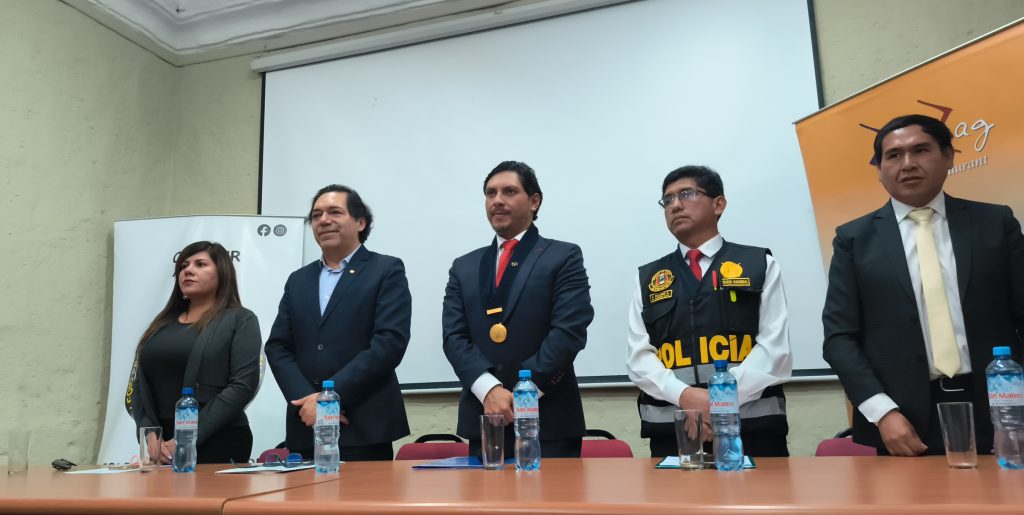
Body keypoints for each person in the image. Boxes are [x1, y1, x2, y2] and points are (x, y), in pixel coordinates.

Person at [822, 114, 1024, 456]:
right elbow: (839, 337)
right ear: (879, 169)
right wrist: (881, 412)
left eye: (920, 150)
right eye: (894, 155)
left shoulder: (994, 223)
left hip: (1001, 409)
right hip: (902, 421)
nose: (908, 164)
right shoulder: (854, 240)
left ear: (948, 157)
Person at [627, 165, 792, 458]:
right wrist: (685, 396)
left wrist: (719, 402)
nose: (675, 205)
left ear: (719, 204)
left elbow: (775, 350)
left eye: (686, 194)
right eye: (668, 199)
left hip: (752, 430)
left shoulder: (759, 264)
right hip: (675, 433)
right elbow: (639, 358)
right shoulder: (649, 277)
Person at [443, 160, 594, 461]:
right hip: (485, 417)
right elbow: (454, 337)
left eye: (509, 191)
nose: (497, 200)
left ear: (534, 201)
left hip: (549, 420)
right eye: (490, 193)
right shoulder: (464, 266)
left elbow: (569, 331)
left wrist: (523, 393)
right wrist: (489, 390)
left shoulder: (563, 256)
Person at [129, 240, 261, 515]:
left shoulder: (240, 320)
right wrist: (150, 436)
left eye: (200, 264)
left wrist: (187, 438)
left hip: (218, 441)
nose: (188, 270)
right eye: (184, 266)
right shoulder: (162, 324)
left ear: (222, 273)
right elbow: (139, 386)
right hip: (163, 447)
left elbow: (242, 385)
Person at [266, 184, 411, 462]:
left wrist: (329, 398)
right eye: (316, 215)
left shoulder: (386, 270)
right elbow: (278, 347)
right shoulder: (298, 280)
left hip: (363, 424)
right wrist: (307, 400)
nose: (323, 220)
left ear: (360, 222)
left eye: (334, 212)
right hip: (306, 422)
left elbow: (389, 342)